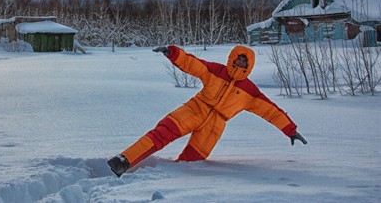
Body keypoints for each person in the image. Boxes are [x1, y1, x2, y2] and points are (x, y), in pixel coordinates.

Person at [107, 45, 307, 177]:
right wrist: (173, 53)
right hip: (195, 108)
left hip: (214, 126)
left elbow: (271, 112)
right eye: (238, 59)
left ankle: (167, 185)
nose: (240, 63)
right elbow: (193, 64)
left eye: (244, 62)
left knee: (192, 163)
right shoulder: (215, 71)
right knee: (161, 133)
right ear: (231, 58)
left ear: (250, 66)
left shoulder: (250, 92)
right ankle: (124, 160)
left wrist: (290, 129)